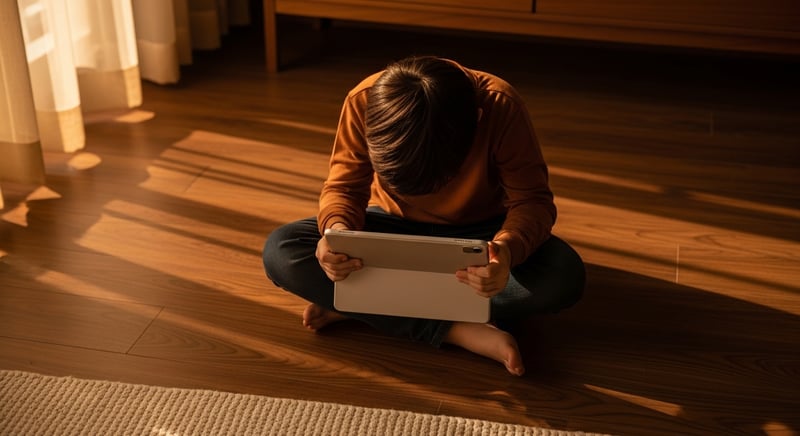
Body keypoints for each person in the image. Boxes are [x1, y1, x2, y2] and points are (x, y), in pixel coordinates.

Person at [263, 56, 585, 376]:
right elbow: (345, 188)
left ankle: (362, 306)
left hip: (480, 239)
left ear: (477, 119)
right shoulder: (365, 102)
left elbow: (532, 202)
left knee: (563, 276)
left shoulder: (501, 106)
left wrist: (505, 252)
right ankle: (459, 329)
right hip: (393, 227)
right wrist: (337, 234)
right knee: (282, 249)